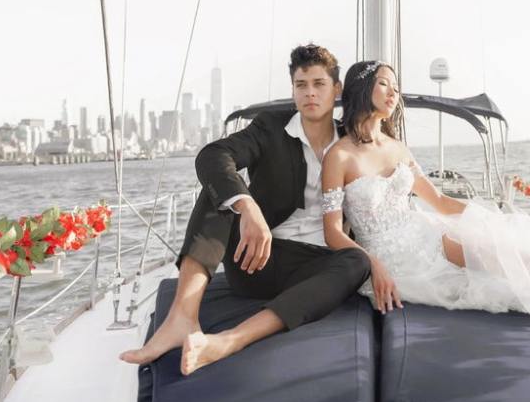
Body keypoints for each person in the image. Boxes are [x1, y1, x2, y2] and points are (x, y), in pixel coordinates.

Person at [320, 60, 530, 326]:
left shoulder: (398, 148)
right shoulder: (340, 155)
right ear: (362, 89)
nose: (393, 92)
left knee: (506, 253)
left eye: (396, 86)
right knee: (494, 289)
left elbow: (438, 201)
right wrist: (373, 265)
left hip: (426, 234)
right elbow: (333, 232)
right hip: (391, 259)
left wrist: (487, 217)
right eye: (384, 84)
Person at [120, 44, 370, 374]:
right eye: (301, 85)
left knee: (357, 261)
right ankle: (183, 317)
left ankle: (230, 340)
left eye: (319, 84)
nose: (310, 93)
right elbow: (212, 156)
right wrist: (247, 205)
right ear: (293, 90)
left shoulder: (351, 140)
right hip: (257, 261)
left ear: (336, 89)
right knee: (220, 193)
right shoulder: (270, 128)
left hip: (316, 269)